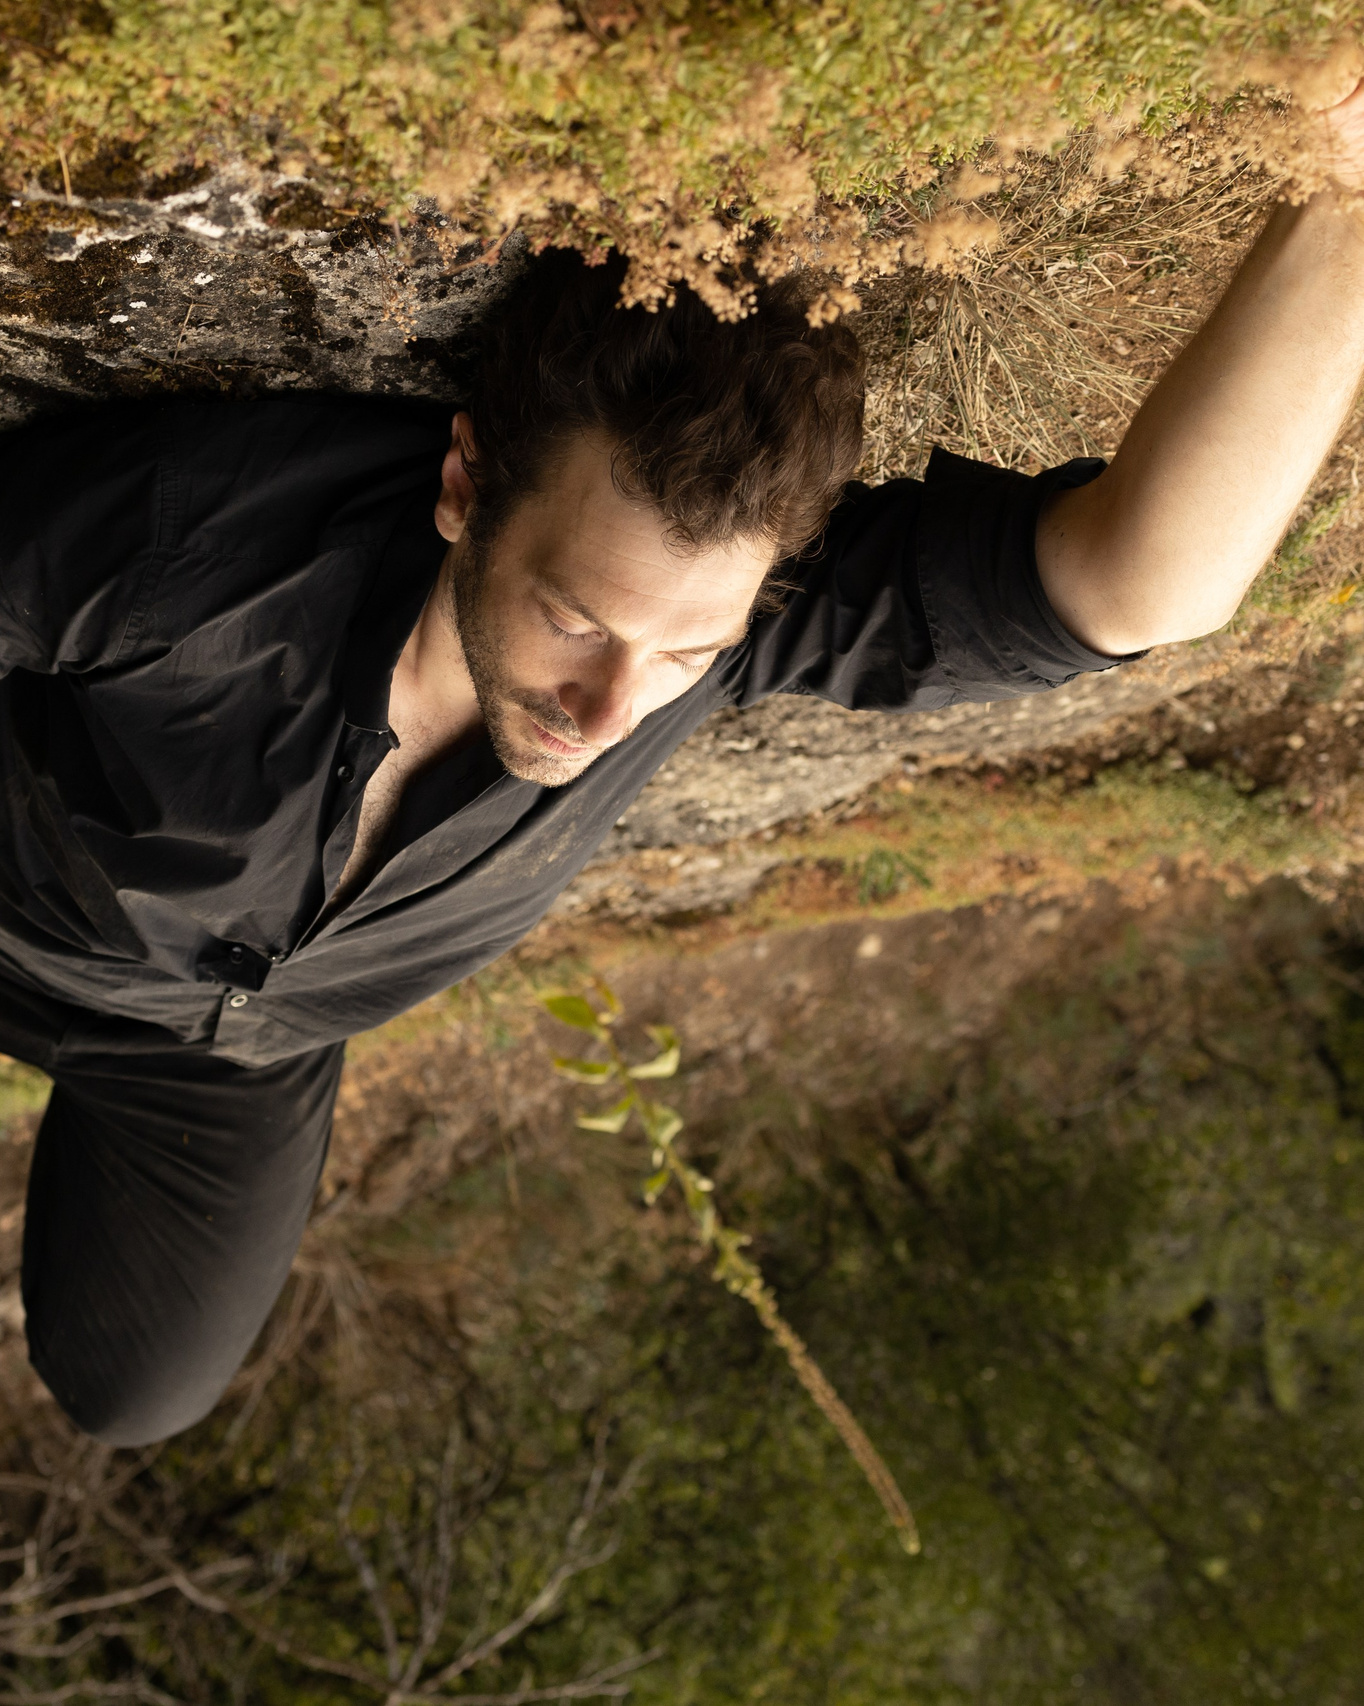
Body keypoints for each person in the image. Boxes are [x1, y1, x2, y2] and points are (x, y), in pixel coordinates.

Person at [5, 81, 1364, 1448]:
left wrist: (1346, 199)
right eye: (577, 618)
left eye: (681, 651)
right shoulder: (195, 540)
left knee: (137, 1387)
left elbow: (1140, 583)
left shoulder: (714, 633)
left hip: (230, 1060)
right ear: (467, 488)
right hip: (21, 912)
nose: (609, 707)